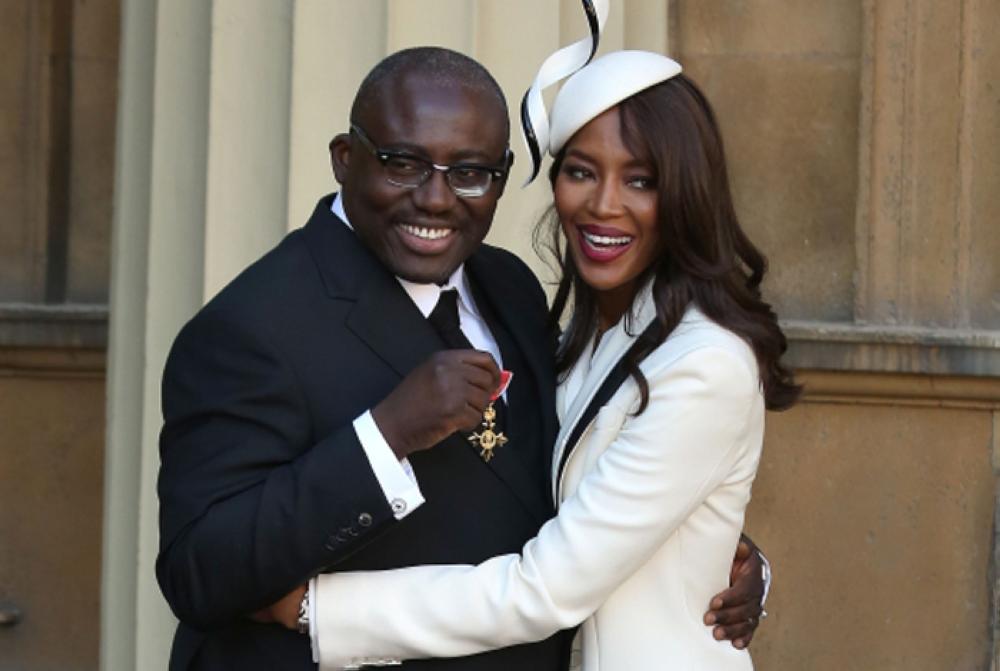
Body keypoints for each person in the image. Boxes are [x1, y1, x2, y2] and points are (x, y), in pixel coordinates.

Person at [156, 47, 766, 671]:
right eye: (403, 164)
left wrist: (702, 538)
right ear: (345, 159)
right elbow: (198, 572)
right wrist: (384, 436)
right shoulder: (250, 327)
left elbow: (554, 496)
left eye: (470, 172)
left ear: (500, 179)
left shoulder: (509, 287)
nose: (437, 199)